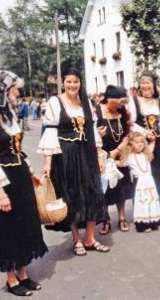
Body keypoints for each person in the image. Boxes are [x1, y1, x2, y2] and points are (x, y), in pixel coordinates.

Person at [38, 66, 109, 256]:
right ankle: (76, 239)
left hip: (86, 153)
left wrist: (100, 155)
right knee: (70, 196)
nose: (72, 85)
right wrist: (48, 163)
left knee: (93, 192)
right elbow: (50, 133)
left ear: (80, 83)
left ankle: (90, 238)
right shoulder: (55, 102)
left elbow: (93, 130)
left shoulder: (85, 101)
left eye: (75, 81)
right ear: (63, 82)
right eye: (68, 81)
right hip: (65, 155)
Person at [0, 70, 48, 296]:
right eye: (15, 89)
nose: (19, 93)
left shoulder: (9, 114)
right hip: (4, 182)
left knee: (26, 224)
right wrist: (0, 193)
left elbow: (18, 151)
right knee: (9, 229)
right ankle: (11, 279)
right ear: (4, 91)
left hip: (20, 177)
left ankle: (23, 273)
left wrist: (30, 172)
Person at [128, 71, 160, 221]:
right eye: (143, 82)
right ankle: (142, 209)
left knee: (158, 175)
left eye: (148, 83)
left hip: (158, 144)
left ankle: (157, 208)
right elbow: (131, 123)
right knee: (142, 174)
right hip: (141, 144)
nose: (145, 86)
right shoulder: (133, 101)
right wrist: (144, 132)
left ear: (153, 84)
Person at [95, 85, 132, 234]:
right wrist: (97, 133)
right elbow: (90, 133)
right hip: (102, 155)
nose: (122, 105)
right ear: (111, 100)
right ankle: (106, 220)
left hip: (120, 154)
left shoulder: (122, 112)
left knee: (121, 188)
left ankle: (122, 218)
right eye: (120, 102)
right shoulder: (96, 111)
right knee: (104, 188)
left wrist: (117, 151)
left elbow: (127, 134)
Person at [118, 132, 160, 232]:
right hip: (139, 184)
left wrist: (153, 139)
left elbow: (152, 145)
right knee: (142, 202)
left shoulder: (146, 154)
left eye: (142, 142)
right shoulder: (129, 157)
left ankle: (155, 222)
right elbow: (121, 164)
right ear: (131, 145)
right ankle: (143, 224)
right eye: (137, 142)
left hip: (150, 182)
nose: (140, 144)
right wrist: (110, 160)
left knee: (152, 201)